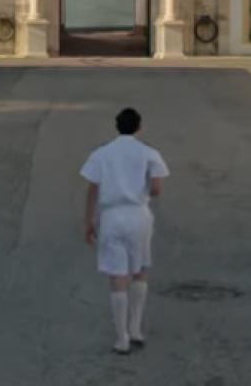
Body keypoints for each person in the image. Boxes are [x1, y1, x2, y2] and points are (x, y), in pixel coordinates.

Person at [79, 107, 169, 355]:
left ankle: (121, 339)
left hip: (111, 216)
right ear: (139, 127)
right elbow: (157, 188)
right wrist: (141, 194)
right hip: (138, 214)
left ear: (116, 126)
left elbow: (92, 188)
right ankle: (136, 328)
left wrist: (89, 221)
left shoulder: (101, 154)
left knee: (117, 274)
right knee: (139, 270)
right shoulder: (149, 153)